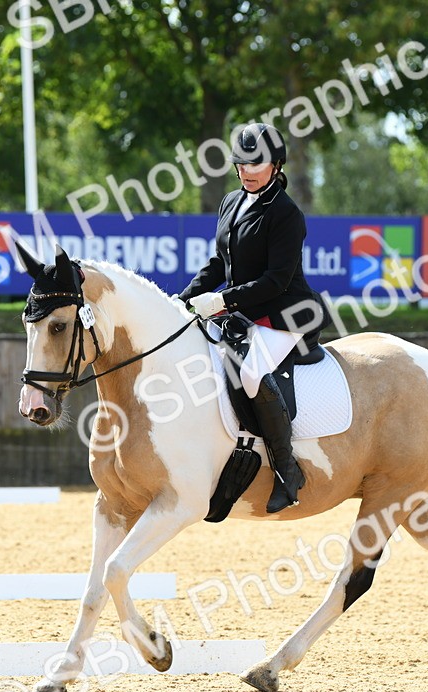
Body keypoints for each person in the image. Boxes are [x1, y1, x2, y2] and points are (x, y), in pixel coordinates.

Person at [178, 123, 329, 513]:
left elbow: (276, 281)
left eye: (255, 163)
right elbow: (219, 262)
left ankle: (287, 469)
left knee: (248, 372)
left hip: (285, 313)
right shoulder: (231, 201)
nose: (246, 170)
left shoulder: (287, 214)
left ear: (277, 165)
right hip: (243, 313)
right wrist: (185, 298)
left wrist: (223, 301)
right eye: (240, 163)